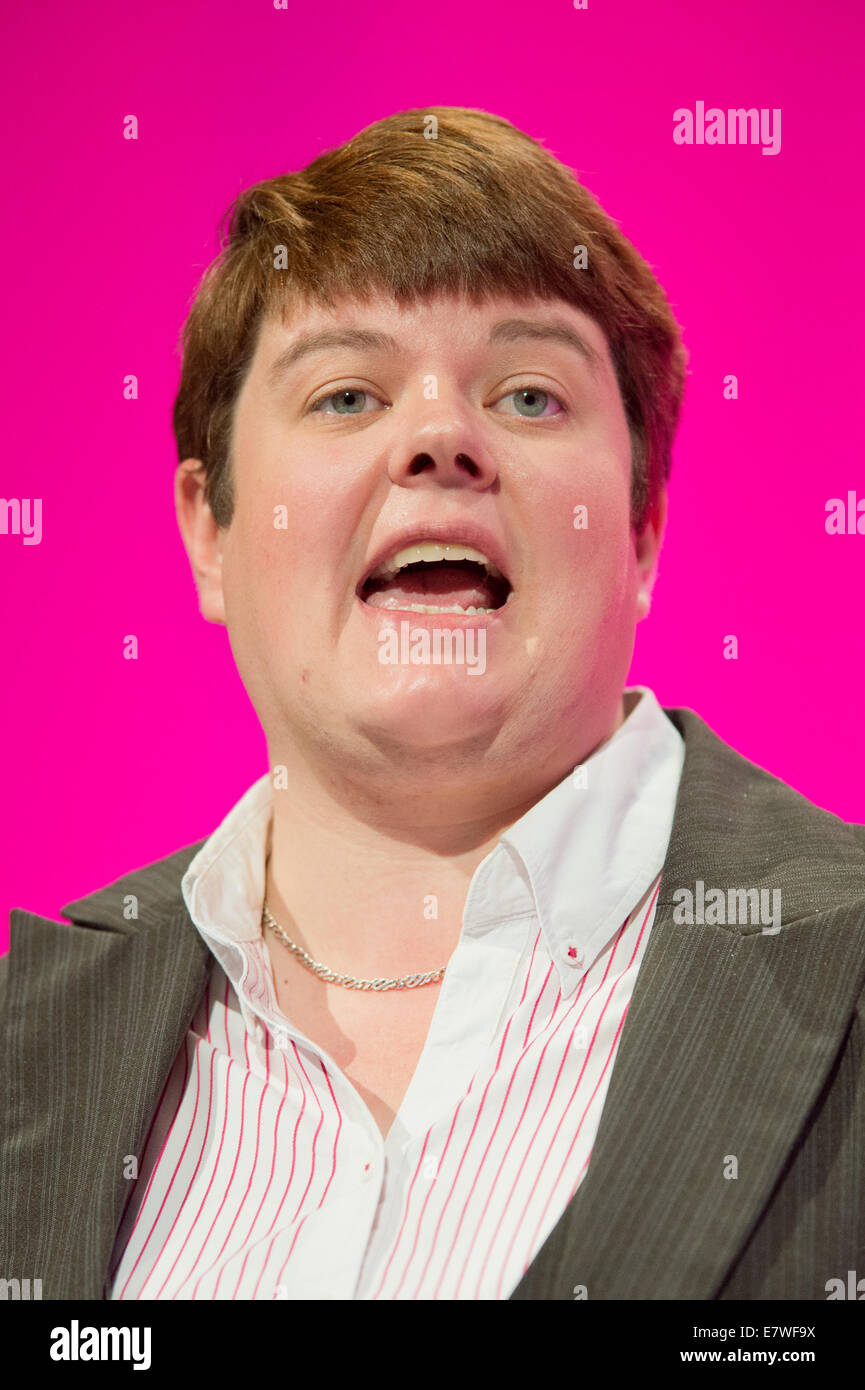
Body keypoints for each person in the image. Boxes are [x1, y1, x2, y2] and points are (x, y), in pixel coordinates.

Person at [3, 107, 864, 1302]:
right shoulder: (22, 1045)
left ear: (641, 527)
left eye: (525, 395)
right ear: (210, 530)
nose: (439, 439)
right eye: (348, 395)